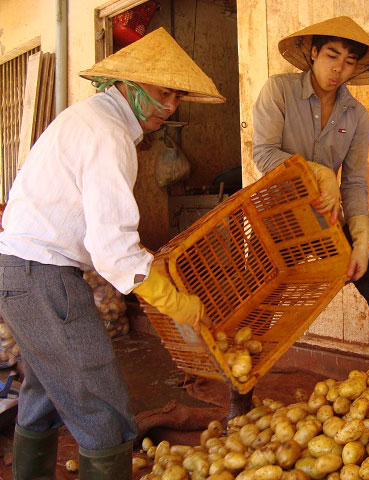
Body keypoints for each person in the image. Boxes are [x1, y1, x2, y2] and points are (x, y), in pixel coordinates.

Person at [0, 28, 224, 479]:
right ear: (129, 85)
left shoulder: (88, 119)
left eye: (178, 96)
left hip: (19, 271)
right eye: (163, 93)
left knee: (45, 391)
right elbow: (113, 252)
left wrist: (144, 260)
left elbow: (96, 225)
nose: (170, 107)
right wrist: (178, 303)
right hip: (43, 277)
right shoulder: (108, 133)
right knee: (102, 404)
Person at [252, 16, 369, 369]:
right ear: (314, 52)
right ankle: (240, 399)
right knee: (257, 304)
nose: (339, 69)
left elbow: (355, 183)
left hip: (325, 218)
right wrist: (318, 173)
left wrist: (361, 239)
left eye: (349, 62)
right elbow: (264, 154)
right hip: (275, 217)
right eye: (332, 55)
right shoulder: (279, 90)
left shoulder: (357, 115)